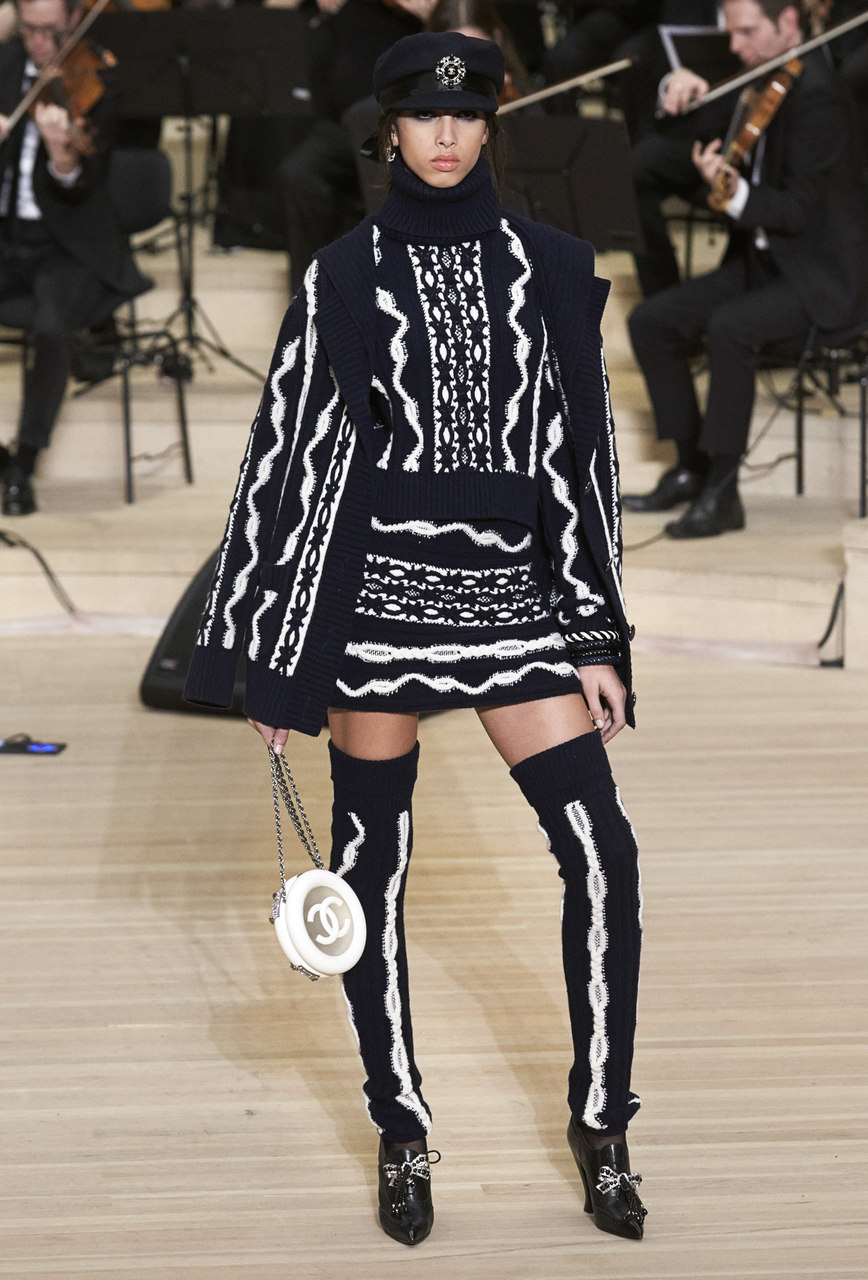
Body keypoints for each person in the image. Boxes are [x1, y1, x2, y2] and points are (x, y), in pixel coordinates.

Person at [184, 31, 646, 1247]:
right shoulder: (342, 275)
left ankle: (602, 1123)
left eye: (468, 114)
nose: (446, 134)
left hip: (513, 598)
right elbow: (285, 459)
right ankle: (401, 1127)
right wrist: (273, 656)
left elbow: (580, 459)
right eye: (425, 116)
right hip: (376, 600)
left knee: (602, 850)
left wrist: (592, 630)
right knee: (370, 872)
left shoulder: (553, 267)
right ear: (388, 129)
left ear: (492, 125)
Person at [625, 0, 868, 538]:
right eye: (731, 32)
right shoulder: (764, 76)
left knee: (730, 327)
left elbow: (798, 212)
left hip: (822, 275)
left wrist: (733, 194)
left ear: (789, 23)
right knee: (651, 322)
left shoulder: (820, 98)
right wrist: (679, 90)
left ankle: (722, 493)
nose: (734, 46)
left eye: (747, 31)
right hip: (767, 261)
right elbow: (695, 131)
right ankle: (691, 468)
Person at [0, 0, 149, 516]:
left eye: (52, 32)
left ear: (73, 21)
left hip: (67, 246)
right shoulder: (4, 65)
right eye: (30, 31)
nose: (41, 44)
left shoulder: (99, 80)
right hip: (5, 237)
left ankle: (24, 462)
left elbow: (84, 186)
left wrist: (62, 157)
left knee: (53, 326)